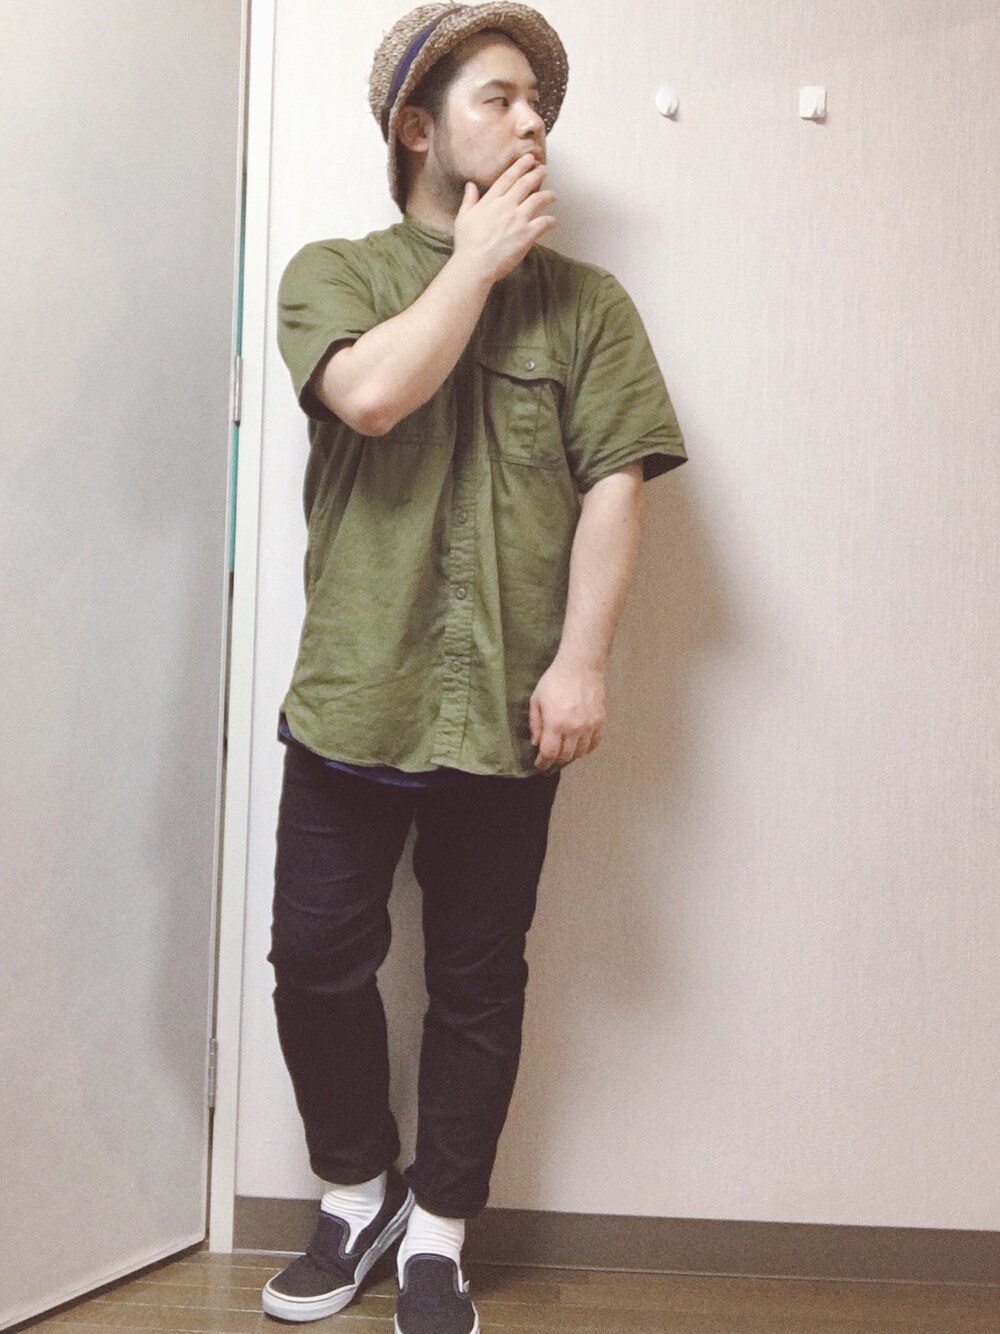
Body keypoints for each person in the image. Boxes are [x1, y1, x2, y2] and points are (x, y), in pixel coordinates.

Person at [262, 4, 686, 1331]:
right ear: (415, 128)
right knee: (314, 962)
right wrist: (477, 263)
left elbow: (616, 484)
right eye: (498, 97)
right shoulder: (331, 273)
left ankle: (438, 1229)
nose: (531, 120)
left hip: (511, 710)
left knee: (478, 980)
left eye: (536, 102)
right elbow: (372, 395)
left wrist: (584, 663)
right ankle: (356, 1193)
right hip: (355, 693)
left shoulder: (591, 307)